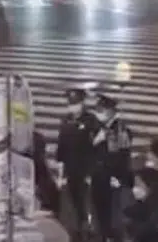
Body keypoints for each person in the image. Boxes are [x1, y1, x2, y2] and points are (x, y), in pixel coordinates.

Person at [89, 93, 133, 242]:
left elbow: (119, 157)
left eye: (101, 110)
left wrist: (117, 178)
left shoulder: (119, 130)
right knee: (101, 213)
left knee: (111, 216)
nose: (98, 113)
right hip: (99, 178)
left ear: (111, 111)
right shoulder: (102, 128)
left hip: (111, 181)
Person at [56, 86, 97, 234]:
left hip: (85, 167)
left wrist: (92, 170)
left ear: (82, 103)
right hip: (70, 166)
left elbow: (96, 145)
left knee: (86, 198)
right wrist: (60, 171)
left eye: (76, 103)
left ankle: (88, 225)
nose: (73, 106)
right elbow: (61, 145)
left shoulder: (90, 120)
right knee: (73, 197)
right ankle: (78, 224)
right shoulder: (66, 120)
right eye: (71, 103)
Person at [122, 167, 158, 242]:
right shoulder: (131, 211)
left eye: (138, 185)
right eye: (134, 185)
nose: (134, 189)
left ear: (150, 186)